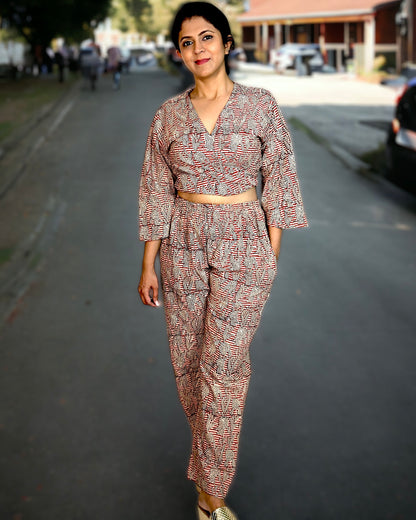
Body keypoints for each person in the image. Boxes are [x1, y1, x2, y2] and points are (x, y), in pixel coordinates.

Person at [137, 2, 308, 519]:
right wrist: (149, 263)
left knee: (223, 366)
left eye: (207, 38)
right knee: (188, 368)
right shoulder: (167, 114)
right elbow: (155, 191)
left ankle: (212, 497)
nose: (198, 50)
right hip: (182, 247)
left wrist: (269, 254)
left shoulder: (261, 105)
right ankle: (209, 483)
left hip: (243, 244)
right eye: (187, 43)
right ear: (180, 53)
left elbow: (280, 180)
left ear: (227, 44)